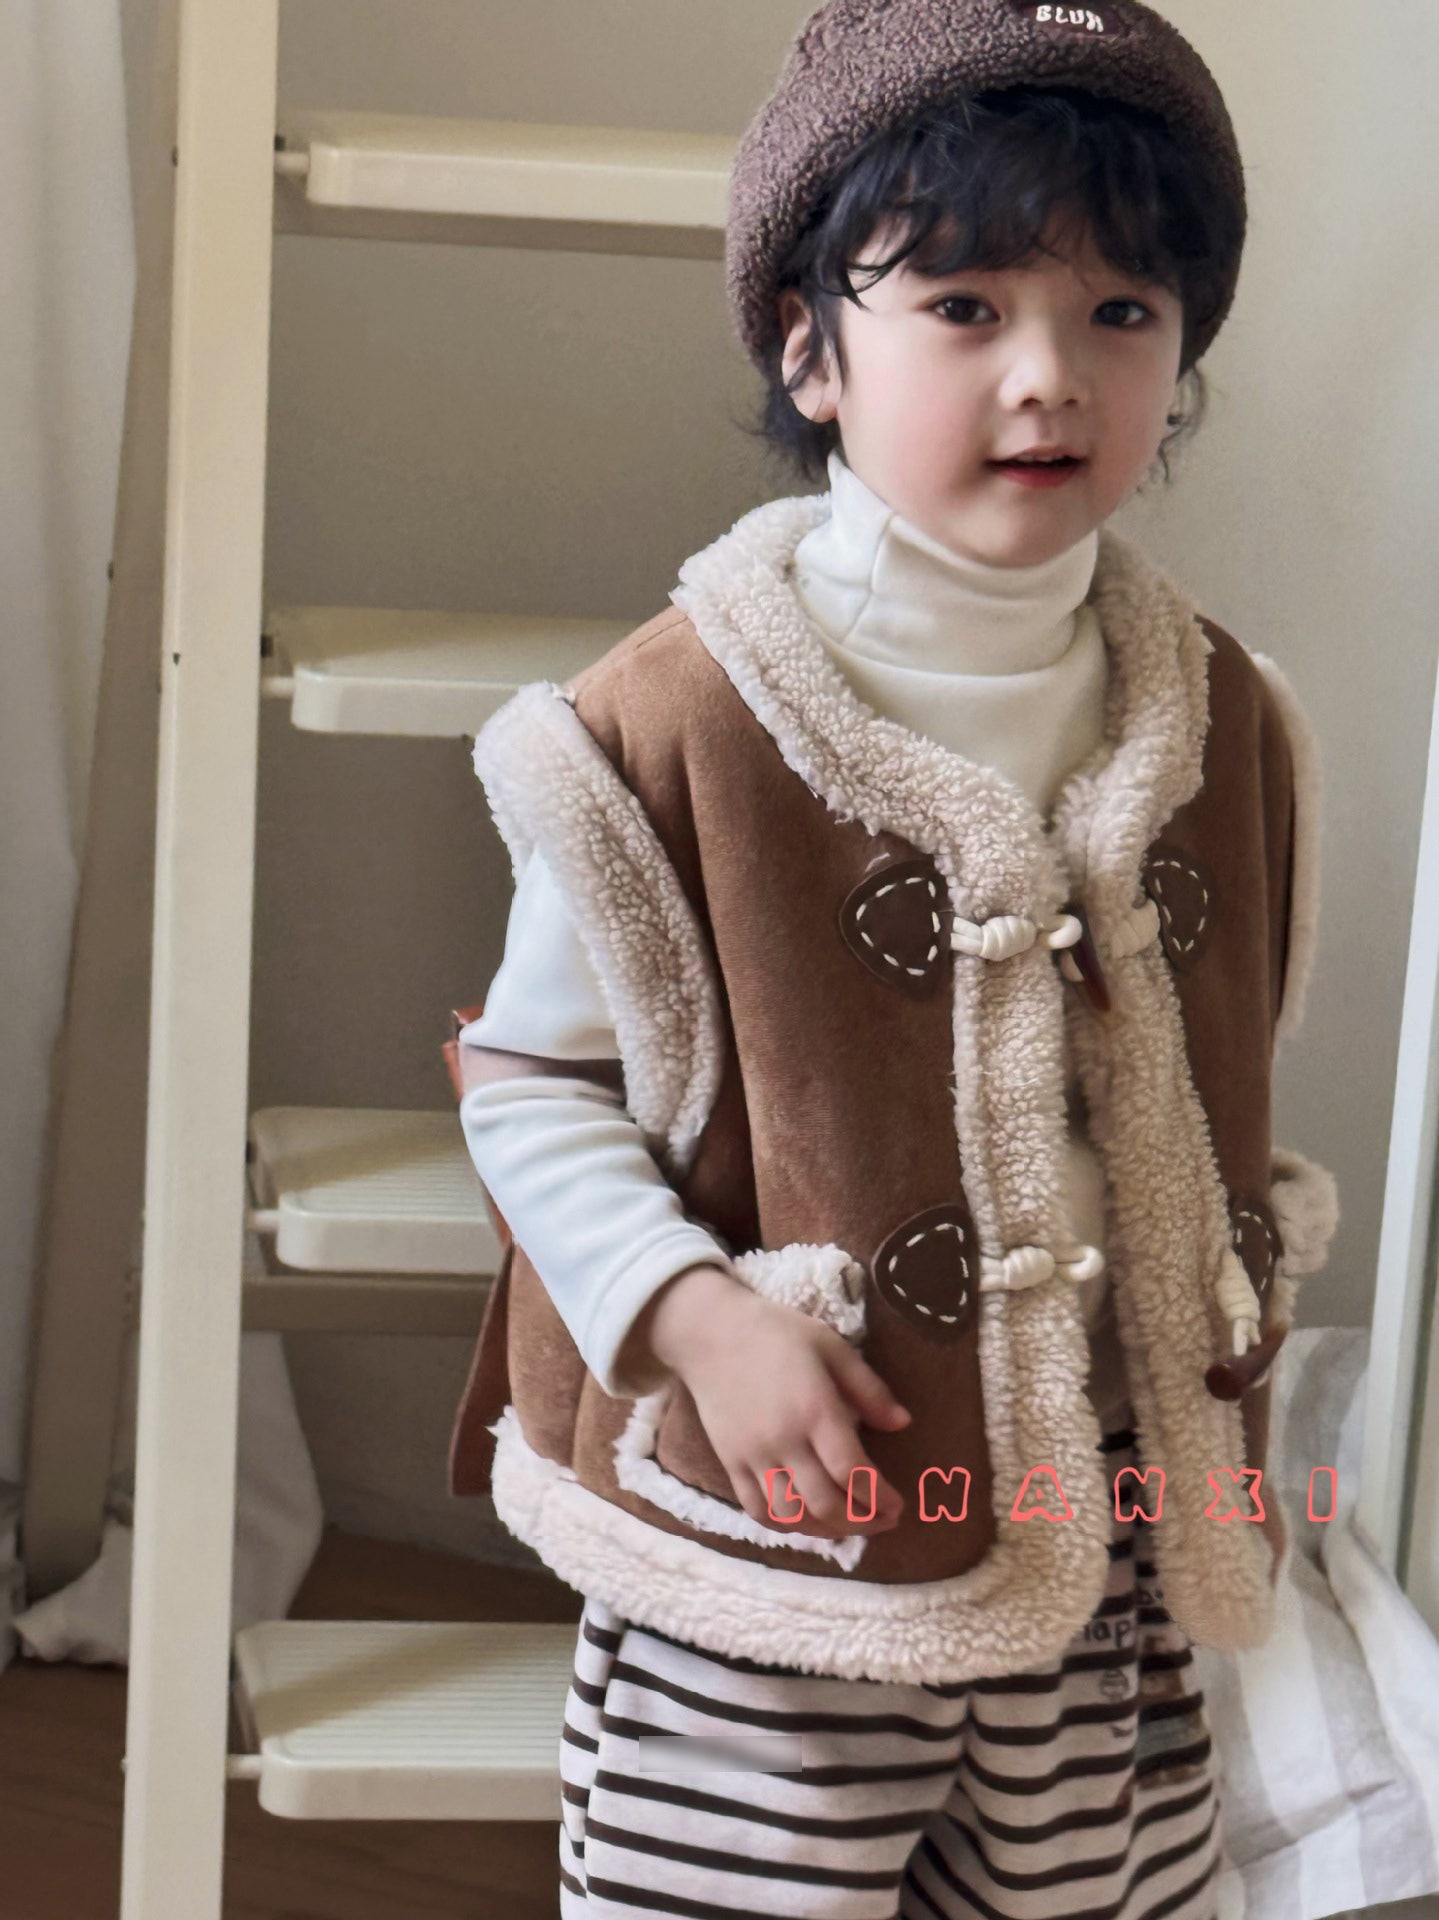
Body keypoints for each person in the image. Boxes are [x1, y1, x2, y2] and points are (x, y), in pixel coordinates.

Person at [451, 3, 1339, 1914]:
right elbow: (528, 1083)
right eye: (964, 306)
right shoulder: (665, 728)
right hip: (793, 1520)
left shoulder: (1224, 718)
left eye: (1121, 312)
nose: (1050, 378)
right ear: (808, 344)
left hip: (1103, 1516)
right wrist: (695, 1317)